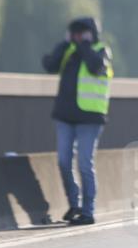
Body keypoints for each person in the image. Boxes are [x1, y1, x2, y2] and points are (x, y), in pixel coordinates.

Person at [41, 17, 113, 226]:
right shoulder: (69, 51)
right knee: (64, 161)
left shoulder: (101, 51)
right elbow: (50, 65)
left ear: (91, 33)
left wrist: (85, 45)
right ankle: (75, 204)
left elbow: (94, 67)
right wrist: (64, 44)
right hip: (65, 116)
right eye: (75, 33)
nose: (78, 36)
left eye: (83, 32)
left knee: (84, 163)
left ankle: (88, 211)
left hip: (89, 118)